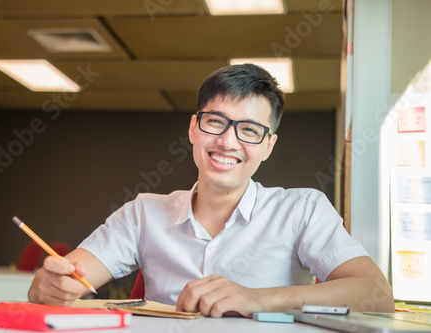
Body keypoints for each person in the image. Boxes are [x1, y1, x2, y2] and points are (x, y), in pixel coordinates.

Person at [28, 64, 394, 317]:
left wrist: (258, 299)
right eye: (215, 122)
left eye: (250, 130)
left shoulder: (301, 209)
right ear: (193, 129)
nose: (227, 141)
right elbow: (74, 275)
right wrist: (51, 286)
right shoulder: (143, 212)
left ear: (268, 145)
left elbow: (376, 294)